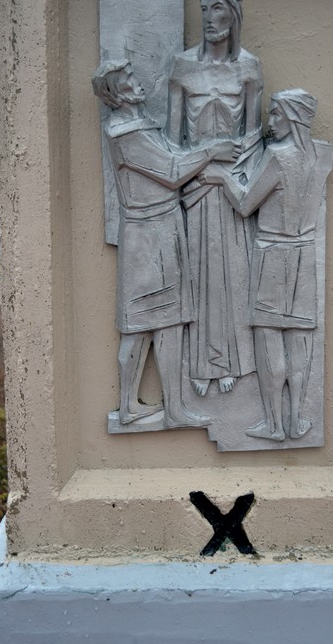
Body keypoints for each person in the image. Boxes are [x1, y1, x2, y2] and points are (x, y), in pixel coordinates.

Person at [92, 59, 237, 429]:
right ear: (116, 93)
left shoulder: (141, 126)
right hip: (148, 236)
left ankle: (168, 408)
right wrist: (211, 152)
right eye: (127, 79)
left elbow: (173, 161)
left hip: (162, 228)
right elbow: (172, 171)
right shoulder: (125, 134)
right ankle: (136, 408)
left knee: (164, 323)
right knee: (143, 325)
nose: (136, 82)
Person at [200, 89, 333, 440]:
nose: (270, 121)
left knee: (269, 340)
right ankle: (297, 420)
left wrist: (222, 177)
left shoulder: (277, 156)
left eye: (276, 114)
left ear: (293, 117)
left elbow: (246, 204)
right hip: (304, 254)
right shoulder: (323, 153)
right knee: (299, 340)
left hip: (273, 254)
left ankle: (274, 425)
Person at [167, 0, 263, 397]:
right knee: (197, 279)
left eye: (218, 9)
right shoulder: (183, 66)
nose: (210, 18)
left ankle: (231, 363)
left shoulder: (249, 68)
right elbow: (172, 138)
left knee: (233, 278)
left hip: (231, 187)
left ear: (233, 16)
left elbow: (254, 136)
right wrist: (200, 167)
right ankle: (200, 365)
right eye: (205, 9)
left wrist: (231, 176)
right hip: (195, 186)